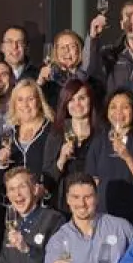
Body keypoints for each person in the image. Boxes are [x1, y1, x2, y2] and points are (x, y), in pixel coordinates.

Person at [85, 89, 133, 225]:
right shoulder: (99, 140)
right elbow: (93, 182)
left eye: (125, 107)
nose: (118, 112)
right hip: (104, 217)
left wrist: (127, 157)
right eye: (113, 107)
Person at [42, 79, 98, 216]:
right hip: (63, 207)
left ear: (90, 101)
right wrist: (61, 160)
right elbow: (47, 180)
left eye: (82, 98)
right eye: (71, 100)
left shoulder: (101, 134)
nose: (77, 104)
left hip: (94, 204)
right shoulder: (56, 134)